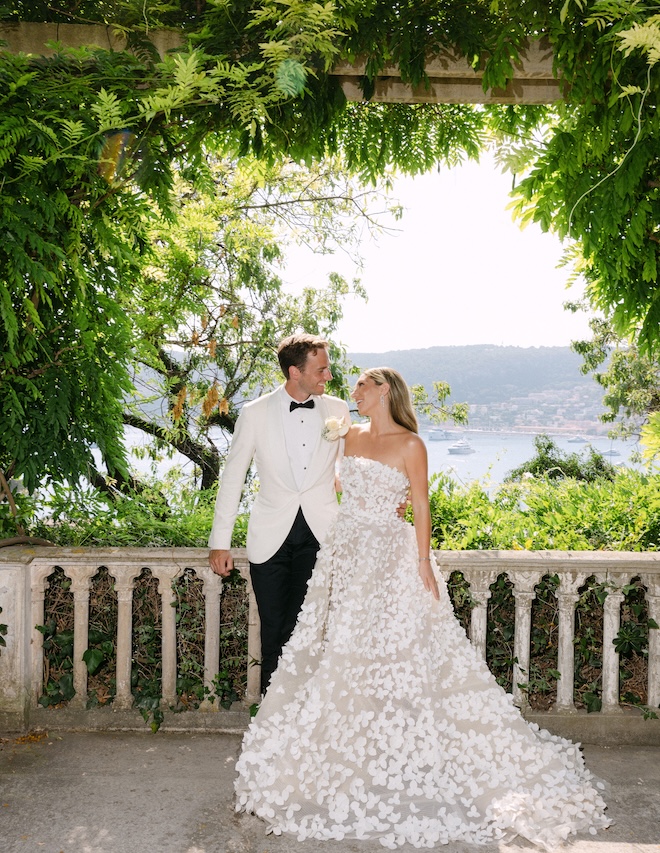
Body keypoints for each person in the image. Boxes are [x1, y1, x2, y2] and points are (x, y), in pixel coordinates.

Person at [233, 367, 611, 850]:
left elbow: (420, 505)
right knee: (344, 649)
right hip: (345, 554)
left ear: (383, 390)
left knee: (398, 652)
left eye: (362, 386)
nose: (353, 392)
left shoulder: (412, 445)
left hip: (391, 559)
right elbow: (333, 489)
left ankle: (406, 742)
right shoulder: (347, 435)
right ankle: (358, 742)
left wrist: (422, 562)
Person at [208, 334, 350, 694]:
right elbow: (233, 478)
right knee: (273, 630)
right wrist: (220, 542)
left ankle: (304, 712)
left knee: (307, 630)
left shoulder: (338, 410)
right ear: (294, 371)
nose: (329, 375)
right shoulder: (254, 413)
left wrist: (387, 497)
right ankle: (273, 712)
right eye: (321, 369)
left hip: (320, 535)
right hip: (270, 537)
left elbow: (347, 471)